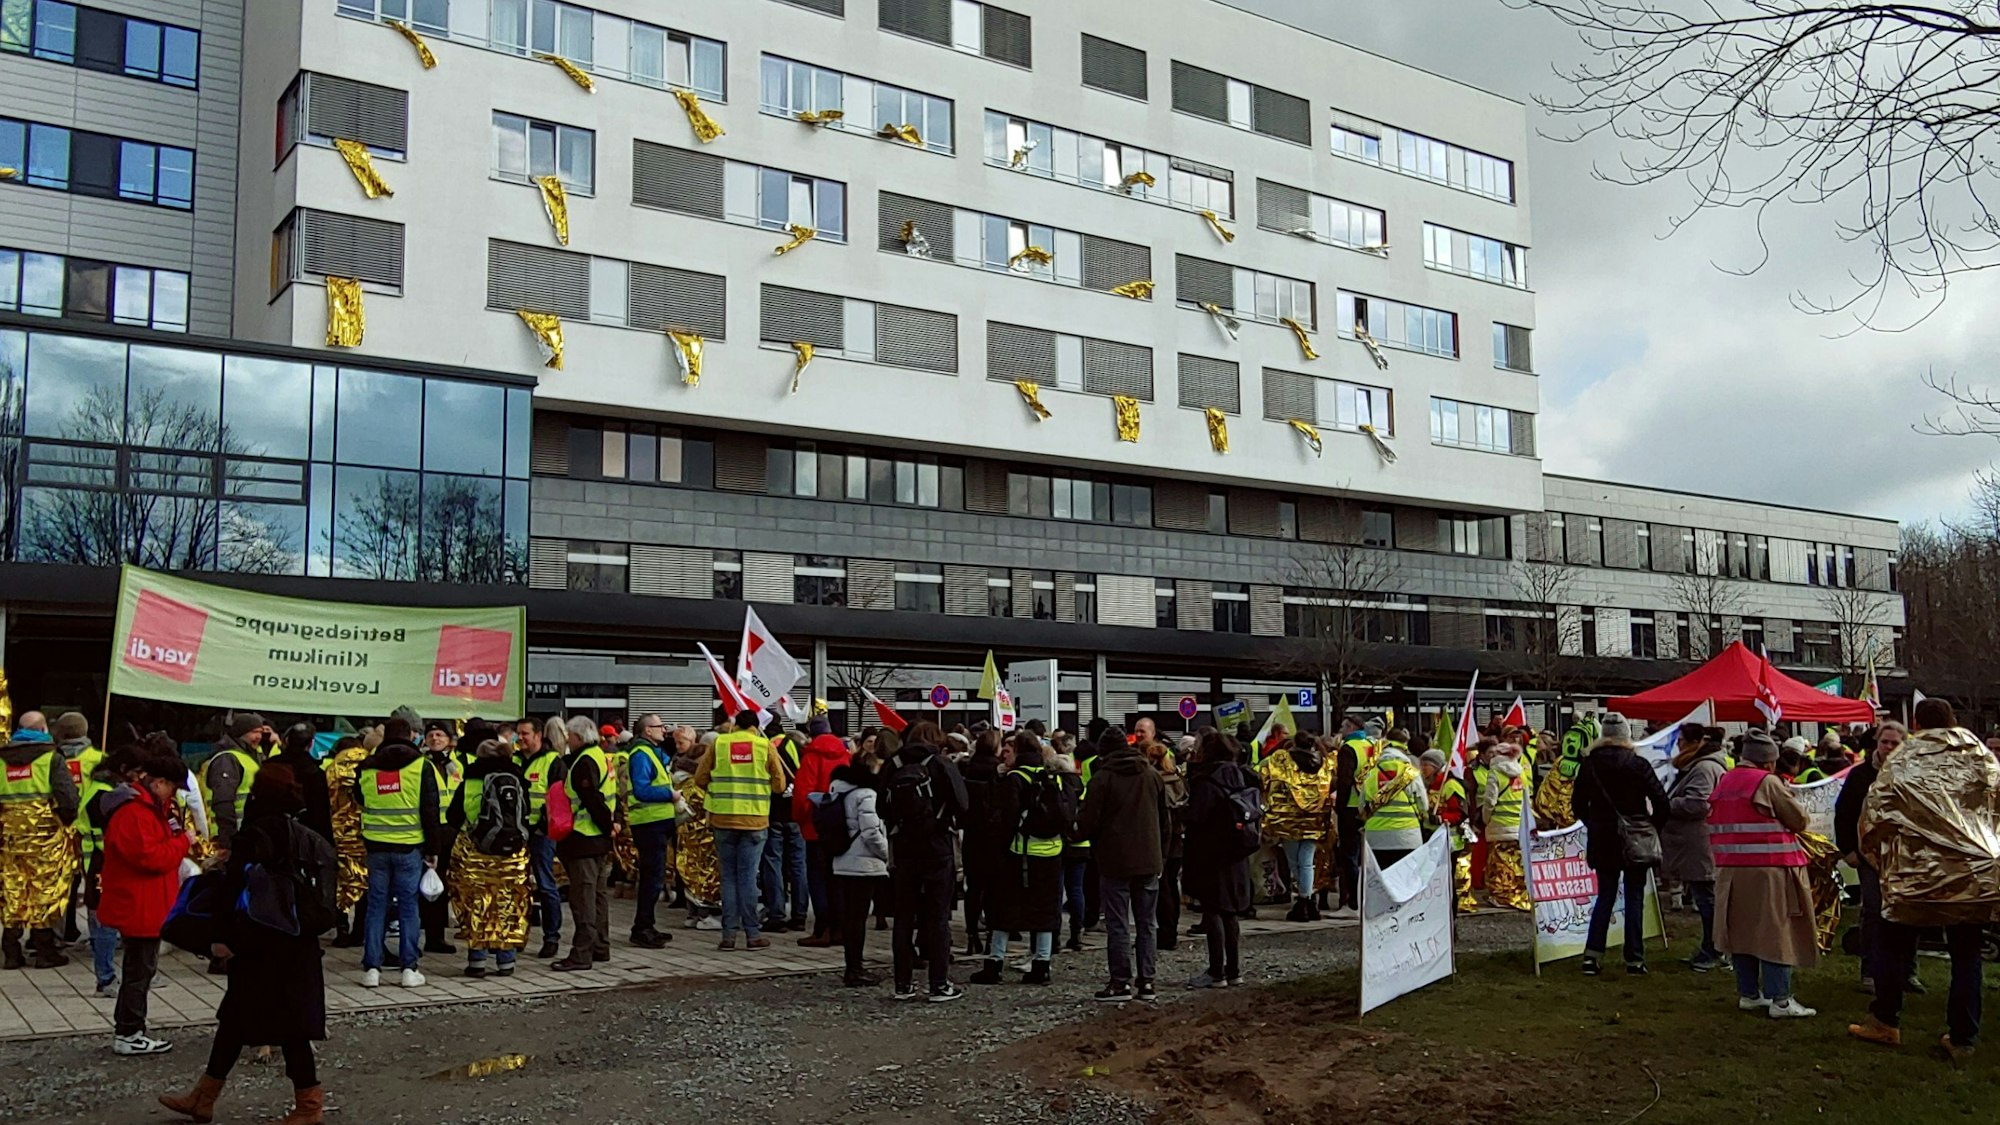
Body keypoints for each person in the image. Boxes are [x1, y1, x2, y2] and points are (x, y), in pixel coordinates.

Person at [161, 764, 335, 1125]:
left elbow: (233, 894)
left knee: (266, 1022)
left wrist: (222, 939)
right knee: (248, 1020)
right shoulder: (303, 834)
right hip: (295, 940)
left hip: (258, 943)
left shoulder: (254, 835)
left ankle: (307, 1105)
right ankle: (205, 1097)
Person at [1851, 700, 2000, 1060]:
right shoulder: (1982, 758)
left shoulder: (1902, 761)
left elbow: (1874, 817)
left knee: (1892, 945)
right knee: (1967, 955)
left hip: (1914, 874)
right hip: (1973, 873)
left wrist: (1880, 862)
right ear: (1954, 721)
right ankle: (1963, 1038)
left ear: (1916, 723)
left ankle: (1885, 1021)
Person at [1712, 730, 1819, 1019]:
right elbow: (1799, 819)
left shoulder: (1726, 780)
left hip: (1730, 869)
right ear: (1769, 761)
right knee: (1775, 933)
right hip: (1769, 868)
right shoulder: (1767, 782)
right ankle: (1780, 1000)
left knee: (1741, 933)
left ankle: (1748, 994)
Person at [98, 745, 193, 1055]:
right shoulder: (135, 813)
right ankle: (129, 1032)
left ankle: (130, 1030)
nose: (174, 795)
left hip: (145, 902)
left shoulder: (147, 809)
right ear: (159, 782)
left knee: (140, 970)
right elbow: (151, 858)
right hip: (140, 904)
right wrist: (183, 843)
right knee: (139, 972)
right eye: (173, 788)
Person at [1571, 714, 1669, 976]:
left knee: (1605, 895)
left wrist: (1594, 823)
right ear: (1627, 735)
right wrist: (1650, 827)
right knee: (1634, 897)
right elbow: (1661, 801)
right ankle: (1635, 959)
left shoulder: (1590, 764)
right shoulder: (1638, 764)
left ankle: (1592, 955)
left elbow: (1577, 804)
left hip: (1602, 837)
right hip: (1635, 836)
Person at [1076, 726, 1167, 1003]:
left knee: (1118, 924)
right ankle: (1147, 982)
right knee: (1147, 923)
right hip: (1149, 858)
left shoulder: (1102, 779)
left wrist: (1074, 832)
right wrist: (1161, 855)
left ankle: (1120, 983)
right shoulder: (1151, 775)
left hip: (1114, 860)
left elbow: (1089, 821)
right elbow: (1165, 820)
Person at [972, 732, 1071, 986]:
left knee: (1004, 909)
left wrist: (996, 850)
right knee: (1045, 912)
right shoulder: (1052, 777)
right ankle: (1042, 965)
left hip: (1019, 853)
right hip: (1052, 852)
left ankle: (994, 964)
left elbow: (1005, 820)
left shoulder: (1015, 779)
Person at [884, 721, 969, 1003]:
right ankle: (939, 984)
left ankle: (902, 984)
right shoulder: (942, 764)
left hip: (904, 849)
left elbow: (881, 807)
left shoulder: (893, 764)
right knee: (937, 917)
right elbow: (963, 804)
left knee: (903, 917)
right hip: (937, 847)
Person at [354, 717, 441, 989]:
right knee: (408, 907)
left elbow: (359, 798)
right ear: (411, 736)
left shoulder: (367, 767)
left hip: (376, 846)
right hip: (409, 847)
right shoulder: (421, 766)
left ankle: (372, 969)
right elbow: (430, 810)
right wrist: (433, 849)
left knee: (376, 906)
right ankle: (408, 969)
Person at [695, 710, 787, 951]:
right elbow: (779, 785)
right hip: (754, 819)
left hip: (723, 818)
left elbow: (700, 779)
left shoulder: (719, 743)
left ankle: (728, 936)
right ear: (756, 727)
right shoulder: (764, 746)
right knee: (747, 877)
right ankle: (752, 935)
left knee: (728, 877)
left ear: (735, 725)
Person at [1836, 721, 1914, 996]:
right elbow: (1844, 813)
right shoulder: (1860, 775)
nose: (1889, 747)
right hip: (1869, 855)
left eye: (1895, 743)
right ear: (1876, 743)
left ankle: (1907, 971)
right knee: (1873, 911)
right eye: (1885, 742)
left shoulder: (1911, 773)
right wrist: (1848, 850)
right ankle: (1870, 970)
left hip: (1904, 855)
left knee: (1907, 911)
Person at [447, 738, 531, 976]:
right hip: (511, 855)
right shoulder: (518, 778)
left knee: (478, 904)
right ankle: (506, 961)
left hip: (477, 852)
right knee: (508, 903)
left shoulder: (471, 781)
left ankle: (478, 961)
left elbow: (453, 816)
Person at [0, 722, 79, 970]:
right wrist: (64, 820)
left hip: (9, 837)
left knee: (13, 889)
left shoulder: (1, 761)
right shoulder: (51, 759)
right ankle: (45, 951)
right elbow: (68, 798)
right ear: (43, 730)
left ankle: (11, 952)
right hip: (45, 837)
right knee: (45, 890)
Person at [1184, 729, 1254, 988]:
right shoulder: (1239, 775)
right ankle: (1234, 969)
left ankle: (1216, 971)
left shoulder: (1206, 779)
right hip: (1236, 850)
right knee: (1230, 912)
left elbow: (1197, 816)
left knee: (1212, 908)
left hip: (1210, 851)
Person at [1663, 723, 1729, 972]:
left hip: (1699, 842)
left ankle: (1714, 950)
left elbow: (1699, 804)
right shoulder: (1702, 765)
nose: (1678, 745)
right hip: (1697, 842)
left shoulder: (1703, 768)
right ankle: (1712, 948)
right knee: (1706, 898)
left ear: (1694, 743)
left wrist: (1665, 804)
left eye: (1681, 740)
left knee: (1707, 900)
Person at [554, 716, 618, 970]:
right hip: (598, 839)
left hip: (584, 838)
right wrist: (611, 826)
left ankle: (582, 954)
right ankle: (600, 947)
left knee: (583, 899)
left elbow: (591, 799)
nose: (567, 740)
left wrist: (606, 826)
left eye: (569, 736)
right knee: (598, 896)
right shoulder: (601, 756)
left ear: (578, 737)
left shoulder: (584, 761)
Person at [825, 746, 889, 986]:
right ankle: (855, 969)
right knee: (858, 918)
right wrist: (887, 854)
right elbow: (871, 832)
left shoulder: (838, 789)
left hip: (842, 859)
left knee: (850, 918)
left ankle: (852, 966)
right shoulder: (866, 795)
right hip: (864, 863)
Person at [1259, 733, 1334, 922]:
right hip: (1315, 820)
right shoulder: (1323, 762)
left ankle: (1303, 901)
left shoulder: (1281, 760)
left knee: (1294, 862)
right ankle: (1308, 900)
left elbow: (1263, 774)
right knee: (1307, 861)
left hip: (1288, 819)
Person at [793, 714, 851, 948]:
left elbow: (802, 794)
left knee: (818, 879)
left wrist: (802, 820)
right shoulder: (845, 755)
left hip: (815, 827)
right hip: (840, 826)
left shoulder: (811, 756)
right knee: (837, 878)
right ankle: (839, 928)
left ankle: (823, 928)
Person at [77, 737, 129, 997]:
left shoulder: (99, 788)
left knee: (101, 918)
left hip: (97, 861)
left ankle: (107, 976)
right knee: (105, 920)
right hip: (102, 862)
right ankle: (106, 978)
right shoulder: (105, 795)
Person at [624, 713, 678, 950]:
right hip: (649, 822)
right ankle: (642, 928)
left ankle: (647, 925)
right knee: (651, 878)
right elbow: (642, 790)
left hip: (656, 821)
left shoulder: (652, 752)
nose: (664, 730)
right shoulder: (641, 754)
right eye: (660, 726)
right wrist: (670, 795)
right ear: (647, 730)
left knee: (654, 877)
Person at [518, 716, 564, 958]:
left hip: (541, 834)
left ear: (538, 735)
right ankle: (516, 936)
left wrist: (542, 827)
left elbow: (559, 800)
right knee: (518, 886)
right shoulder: (514, 760)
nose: (520, 738)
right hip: (517, 834)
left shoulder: (552, 761)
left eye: (524, 734)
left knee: (545, 885)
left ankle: (551, 937)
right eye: (518, 734)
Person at [957, 729, 1005, 956]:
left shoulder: (966, 770)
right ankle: (991, 936)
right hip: (994, 837)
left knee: (973, 888)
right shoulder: (998, 773)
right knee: (993, 889)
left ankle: (971, 935)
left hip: (972, 835)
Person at [760, 718, 809, 935]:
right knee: (798, 865)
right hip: (795, 813)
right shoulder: (794, 745)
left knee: (773, 864)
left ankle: (776, 915)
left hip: (773, 813)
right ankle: (799, 915)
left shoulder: (765, 746)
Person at [1360, 729, 1428, 869]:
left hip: (1376, 838)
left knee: (1382, 879)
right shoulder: (1411, 773)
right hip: (1407, 836)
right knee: (1406, 878)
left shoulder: (1371, 774)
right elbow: (1424, 805)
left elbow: (1361, 806)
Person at [1419, 749, 1477, 913]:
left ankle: (1450, 913)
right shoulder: (1428, 785)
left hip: (1448, 841)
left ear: (1436, 767)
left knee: (1446, 880)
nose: (1423, 768)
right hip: (1431, 839)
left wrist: (1440, 818)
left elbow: (1459, 813)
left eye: (1427, 765)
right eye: (1422, 765)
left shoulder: (1450, 785)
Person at [1480, 738, 1533, 911]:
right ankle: (1518, 894)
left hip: (1499, 824)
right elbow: (1526, 800)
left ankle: (1502, 896)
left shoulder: (1495, 773)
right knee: (1516, 863)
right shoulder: (1521, 773)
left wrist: (1486, 819)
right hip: (1518, 825)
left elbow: (1489, 801)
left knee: (1499, 864)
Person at [1148, 738, 1190, 949]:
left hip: (1161, 839)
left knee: (1162, 888)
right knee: (1172, 886)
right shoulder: (1178, 779)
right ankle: (1171, 929)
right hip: (1177, 839)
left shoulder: (1154, 781)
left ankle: (1165, 932)